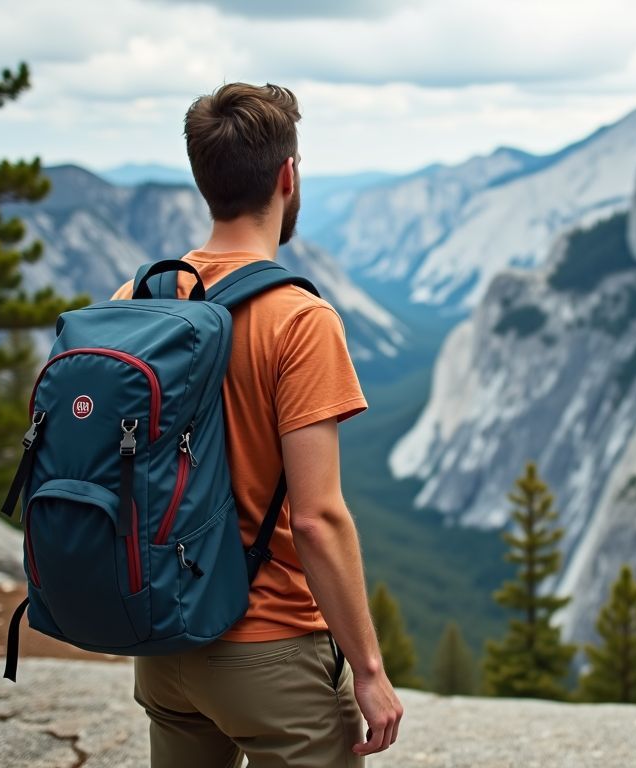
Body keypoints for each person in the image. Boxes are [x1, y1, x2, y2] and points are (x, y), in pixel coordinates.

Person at [113, 82, 403, 768]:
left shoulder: (136, 300)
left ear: (203, 179)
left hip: (163, 645)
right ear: (288, 176)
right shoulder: (299, 320)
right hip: (270, 656)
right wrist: (367, 668)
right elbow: (317, 518)